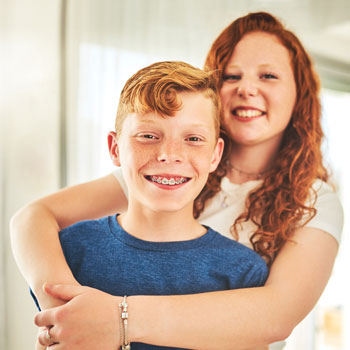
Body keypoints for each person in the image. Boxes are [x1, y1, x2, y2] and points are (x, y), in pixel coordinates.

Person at [10, 11, 343, 350]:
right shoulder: (161, 172)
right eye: (231, 75)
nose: (247, 88)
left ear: (299, 93)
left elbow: (275, 316)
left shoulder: (314, 200)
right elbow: (31, 219)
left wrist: (117, 319)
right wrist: (67, 315)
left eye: (268, 75)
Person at [29, 60, 269, 350]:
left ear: (215, 155)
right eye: (148, 136)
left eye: (193, 139)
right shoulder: (68, 251)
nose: (169, 154)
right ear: (115, 148)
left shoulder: (243, 273)